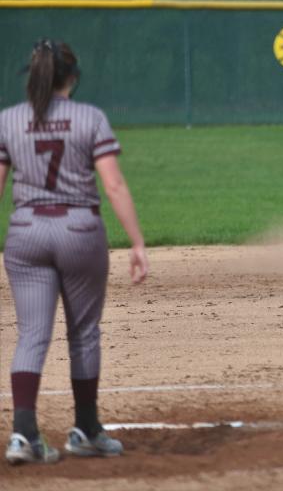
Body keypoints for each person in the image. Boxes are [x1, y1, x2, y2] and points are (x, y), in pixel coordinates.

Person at [1, 39, 149, 465]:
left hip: (26, 233)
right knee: (83, 333)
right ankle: (85, 429)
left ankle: (24, 435)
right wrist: (137, 241)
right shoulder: (90, 117)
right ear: (73, 77)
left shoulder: (8, 120)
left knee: (31, 334)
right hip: (78, 230)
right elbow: (114, 185)